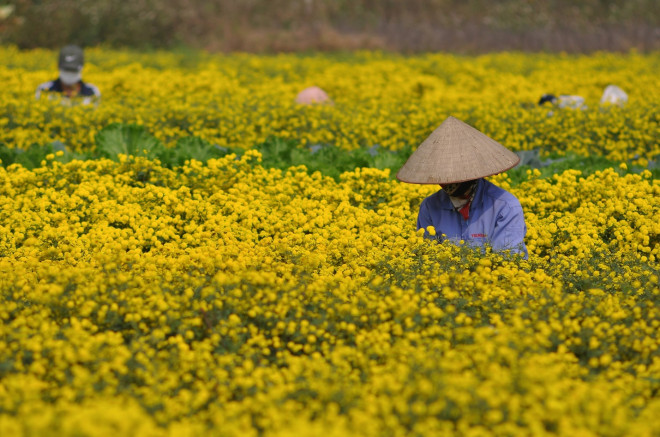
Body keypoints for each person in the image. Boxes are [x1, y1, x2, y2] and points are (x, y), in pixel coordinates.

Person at [397, 116, 528, 258]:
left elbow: (507, 263)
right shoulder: (430, 207)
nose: (450, 182)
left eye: (456, 175)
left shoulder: (505, 207)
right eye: (444, 175)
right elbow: (426, 259)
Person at [35, 45, 100, 105]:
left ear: (82, 68)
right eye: (66, 69)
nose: (69, 73)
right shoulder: (44, 90)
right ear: (58, 66)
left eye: (73, 70)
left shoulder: (92, 92)